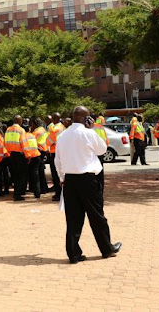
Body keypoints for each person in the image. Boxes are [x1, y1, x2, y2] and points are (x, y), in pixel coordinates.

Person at [54, 107, 121, 264]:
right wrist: (92, 130)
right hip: (88, 180)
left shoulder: (62, 136)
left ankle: (74, 254)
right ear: (86, 119)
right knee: (97, 216)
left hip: (69, 180)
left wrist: (62, 178)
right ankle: (107, 249)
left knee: (73, 219)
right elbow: (102, 150)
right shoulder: (88, 133)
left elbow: (57, 161)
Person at [5, 116, 27, 201]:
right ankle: (18, 194)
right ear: (19, 121)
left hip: (12, 154)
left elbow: (6, 142)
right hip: (20, 155)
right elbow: (24, 144)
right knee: (21, 175)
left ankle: (16, 193)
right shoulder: (21, 130)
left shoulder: (8, 130)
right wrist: (28, 155)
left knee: (15, 174)